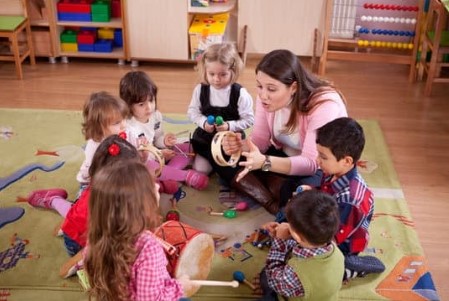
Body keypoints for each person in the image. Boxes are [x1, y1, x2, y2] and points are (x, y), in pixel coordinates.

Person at [222, 49, 347, 214]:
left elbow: (311, 163)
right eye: (259, 86)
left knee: (306, 199)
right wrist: (241, 146)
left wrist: (264, 162)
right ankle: (272, 201)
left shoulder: (324, 105)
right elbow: (260, 140)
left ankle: (276, 191)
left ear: (294, 87)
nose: (263, 95)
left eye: (271, 89)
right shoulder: (264, 98)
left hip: (319, 167)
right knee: (225, 156)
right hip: (283, 157)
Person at [84, 160, 197, 301]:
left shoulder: (95, 235)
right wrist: (180, 286)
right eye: (150, 186)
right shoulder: (149, 248)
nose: (157, 185)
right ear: (138, 206)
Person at [21, 135, 142, 259]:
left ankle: (53, 200)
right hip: (78, 243)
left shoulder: (106, 185)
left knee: (74, 211)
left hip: (82, 222)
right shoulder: (104, 205)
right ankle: (52, 200)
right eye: (131, 174)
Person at [313, 117, 385, 280]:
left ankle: (351, 267)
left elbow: (333, 239)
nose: (318, 160)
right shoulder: (332, 172)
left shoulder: (350, 201)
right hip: (330, 221)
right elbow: (324, 194)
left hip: (343, 243)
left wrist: (300, 236)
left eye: (323, 157)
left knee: (315, 272)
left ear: (346, 161)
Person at [120, 70, 208, 191]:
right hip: (141, 162)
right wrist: (159, 156)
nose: (149, 107)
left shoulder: (155, 115)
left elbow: (157, 139)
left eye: (151, 100)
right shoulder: (129, 127)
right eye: (141, 104)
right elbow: (137, 157)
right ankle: (184, 176)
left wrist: (165, 141)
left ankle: (167, 176)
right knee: (148, 166)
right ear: (128, 105)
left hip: (157, 155)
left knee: (188, 148)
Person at [258, 190, 344, 301]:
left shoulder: (296, 273)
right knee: (264, 275)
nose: (287, 225)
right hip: (324, 290)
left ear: (298, 237)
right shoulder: (332, 245)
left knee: (267, 276)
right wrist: (288, 236)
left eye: (290, 225)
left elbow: (274, 281)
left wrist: (279, 241)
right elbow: (304, 244)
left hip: (295, 288)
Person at [187, 42, 254, 176]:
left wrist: (229, 126)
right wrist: (204, 123)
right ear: (205, 70)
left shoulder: (240, 94)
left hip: (230, 141)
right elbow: (192, 112)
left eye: (223, 74)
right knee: (201, 170)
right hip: (206, 140)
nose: (216, 79)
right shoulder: (200, 89)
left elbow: (249, 119)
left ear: (233, 71)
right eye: (211, 74)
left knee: (233, 168)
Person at [76, 91, 128, 187]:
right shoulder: (94, 146)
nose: (124, 125)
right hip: (93, 180)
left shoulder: (124, 131)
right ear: (99, 127)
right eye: (117, 123)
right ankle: (52, 199)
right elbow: (92, 172)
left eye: (124, 118)